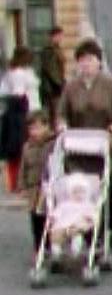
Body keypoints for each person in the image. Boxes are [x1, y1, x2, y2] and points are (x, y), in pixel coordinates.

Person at [58, 39, 112, 249]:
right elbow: (62, 113)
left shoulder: (111, 84)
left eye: (90, 60)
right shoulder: (71, 87)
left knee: (109, 189)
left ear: (99, 62)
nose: (86, 65)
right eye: (82, 61)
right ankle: (85, 231)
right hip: (80, 148)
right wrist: (63, 125)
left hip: (106, 145)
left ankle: (111, 227)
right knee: (83, 190)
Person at [0, 47, 41, 190]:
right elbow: (18, 94)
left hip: (32, 108)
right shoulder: (17, 73)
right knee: (21, 148)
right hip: (25, 112)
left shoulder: (25, 71)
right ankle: (19, 182)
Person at [19, 110, 55, 260]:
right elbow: (23, 168)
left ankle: (52, 246)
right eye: (31, 128)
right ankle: (39, 247)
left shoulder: (54, 144)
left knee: (50, 220)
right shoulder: (27, 147)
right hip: (34, 189)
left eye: (38, 127)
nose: (34, 132)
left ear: (47, 127)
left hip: (49, 189)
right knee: (36, 221)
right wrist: (22, 186)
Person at [39, 27, 66, 127]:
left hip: (56, 86)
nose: (61, 38)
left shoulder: (56, 48)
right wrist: (59, 84)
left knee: (57, 113)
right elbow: (51, 69)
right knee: (54, 114)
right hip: (51, 88)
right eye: (60, 36)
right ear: (54, 36)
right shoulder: (49, 50)